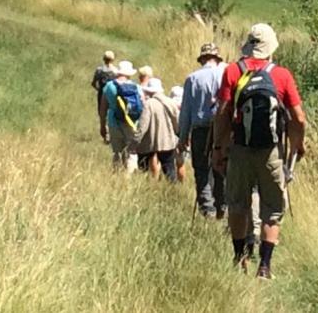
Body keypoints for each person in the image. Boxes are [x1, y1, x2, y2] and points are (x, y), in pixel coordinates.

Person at [212, 24, 307, 279]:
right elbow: (298, 117)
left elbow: (222, 114)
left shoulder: (233, 71)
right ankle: (264, 267)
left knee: (238, 204)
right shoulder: (282, 75)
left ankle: (239, 257)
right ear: (271, 49)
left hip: (240, 148)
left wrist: (218, 149)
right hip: (271, 151)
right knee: (272, 208)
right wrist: (298, 145)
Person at [177, 43, 227, 219]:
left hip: (200, 129)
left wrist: (183, 136)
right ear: (216, 59)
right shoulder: (224, 75)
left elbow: (186, 111)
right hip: (221, 129)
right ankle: (222, 206)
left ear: (203, 59)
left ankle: (207, 210)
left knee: (201, 169)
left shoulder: (192, 78)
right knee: (221, 168)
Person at [132, 78, 180, 182]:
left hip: (149, 142)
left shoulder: (149, 104)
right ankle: (173, 191)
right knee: (170, 170)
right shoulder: (170, 102)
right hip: (167, 141)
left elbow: (142, 126)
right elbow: (176, 122)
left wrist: (135, 142)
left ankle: (144, 188)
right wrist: (178, 134)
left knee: (143, 169)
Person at [99, 60, 143, 173]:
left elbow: (103, 108)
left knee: (117, 151)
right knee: (131, 151)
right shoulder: (136, 87)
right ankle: (129, 177)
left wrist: (102, 125)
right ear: (129, 74)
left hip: (114, 122)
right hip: (132, 122)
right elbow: (142, 106)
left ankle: (118, 176)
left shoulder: (109, 86)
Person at [91, 51, 118, 130]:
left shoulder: (99, 70)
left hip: (101, 94)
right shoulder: (116, 71)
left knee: (102, 114)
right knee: (112, 112)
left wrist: (99, 90)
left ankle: (104, 131)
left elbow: (93, 83)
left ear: (103, 59)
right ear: (113, 60)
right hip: (112, 94)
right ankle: (111, 130)